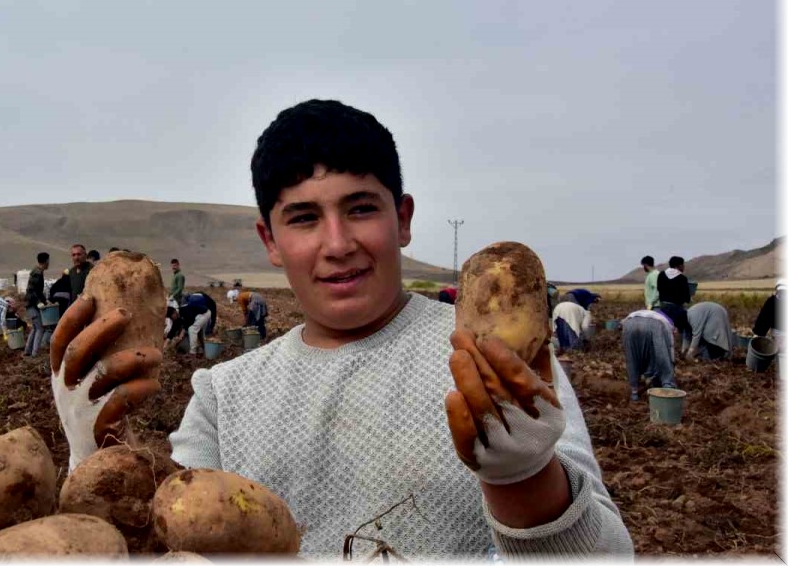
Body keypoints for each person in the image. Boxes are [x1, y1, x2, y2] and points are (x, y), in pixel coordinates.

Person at [46, 100, 631, 559]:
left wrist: (525, 478)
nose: (338, 244)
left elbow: (607, 558)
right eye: (304, 218)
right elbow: (157, 541)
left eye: (360, 209)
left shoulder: (492, 368)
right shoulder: (225, 394)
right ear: (270, 242)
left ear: (402, 219)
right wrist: (89, 449)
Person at [621, 307, 679, 402]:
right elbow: (667, 351)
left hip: (629, 323)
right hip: (654, 324)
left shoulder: (659, 315)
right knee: (663, 356)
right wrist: (671, 366)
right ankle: (668, 387)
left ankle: (634, 392)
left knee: (632, 357)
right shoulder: (669, 325)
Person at [24, 252, 50, 358]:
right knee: (40, 328)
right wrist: (39, 302)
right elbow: (32, 290)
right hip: (31, 304)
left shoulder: (37, 271)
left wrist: (45, 301)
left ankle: (27, 351)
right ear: (46, 261)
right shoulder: (38, 273)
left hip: (30, 304)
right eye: (48, 261)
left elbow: (38, 292)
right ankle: (35, 354)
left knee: (35, 327)